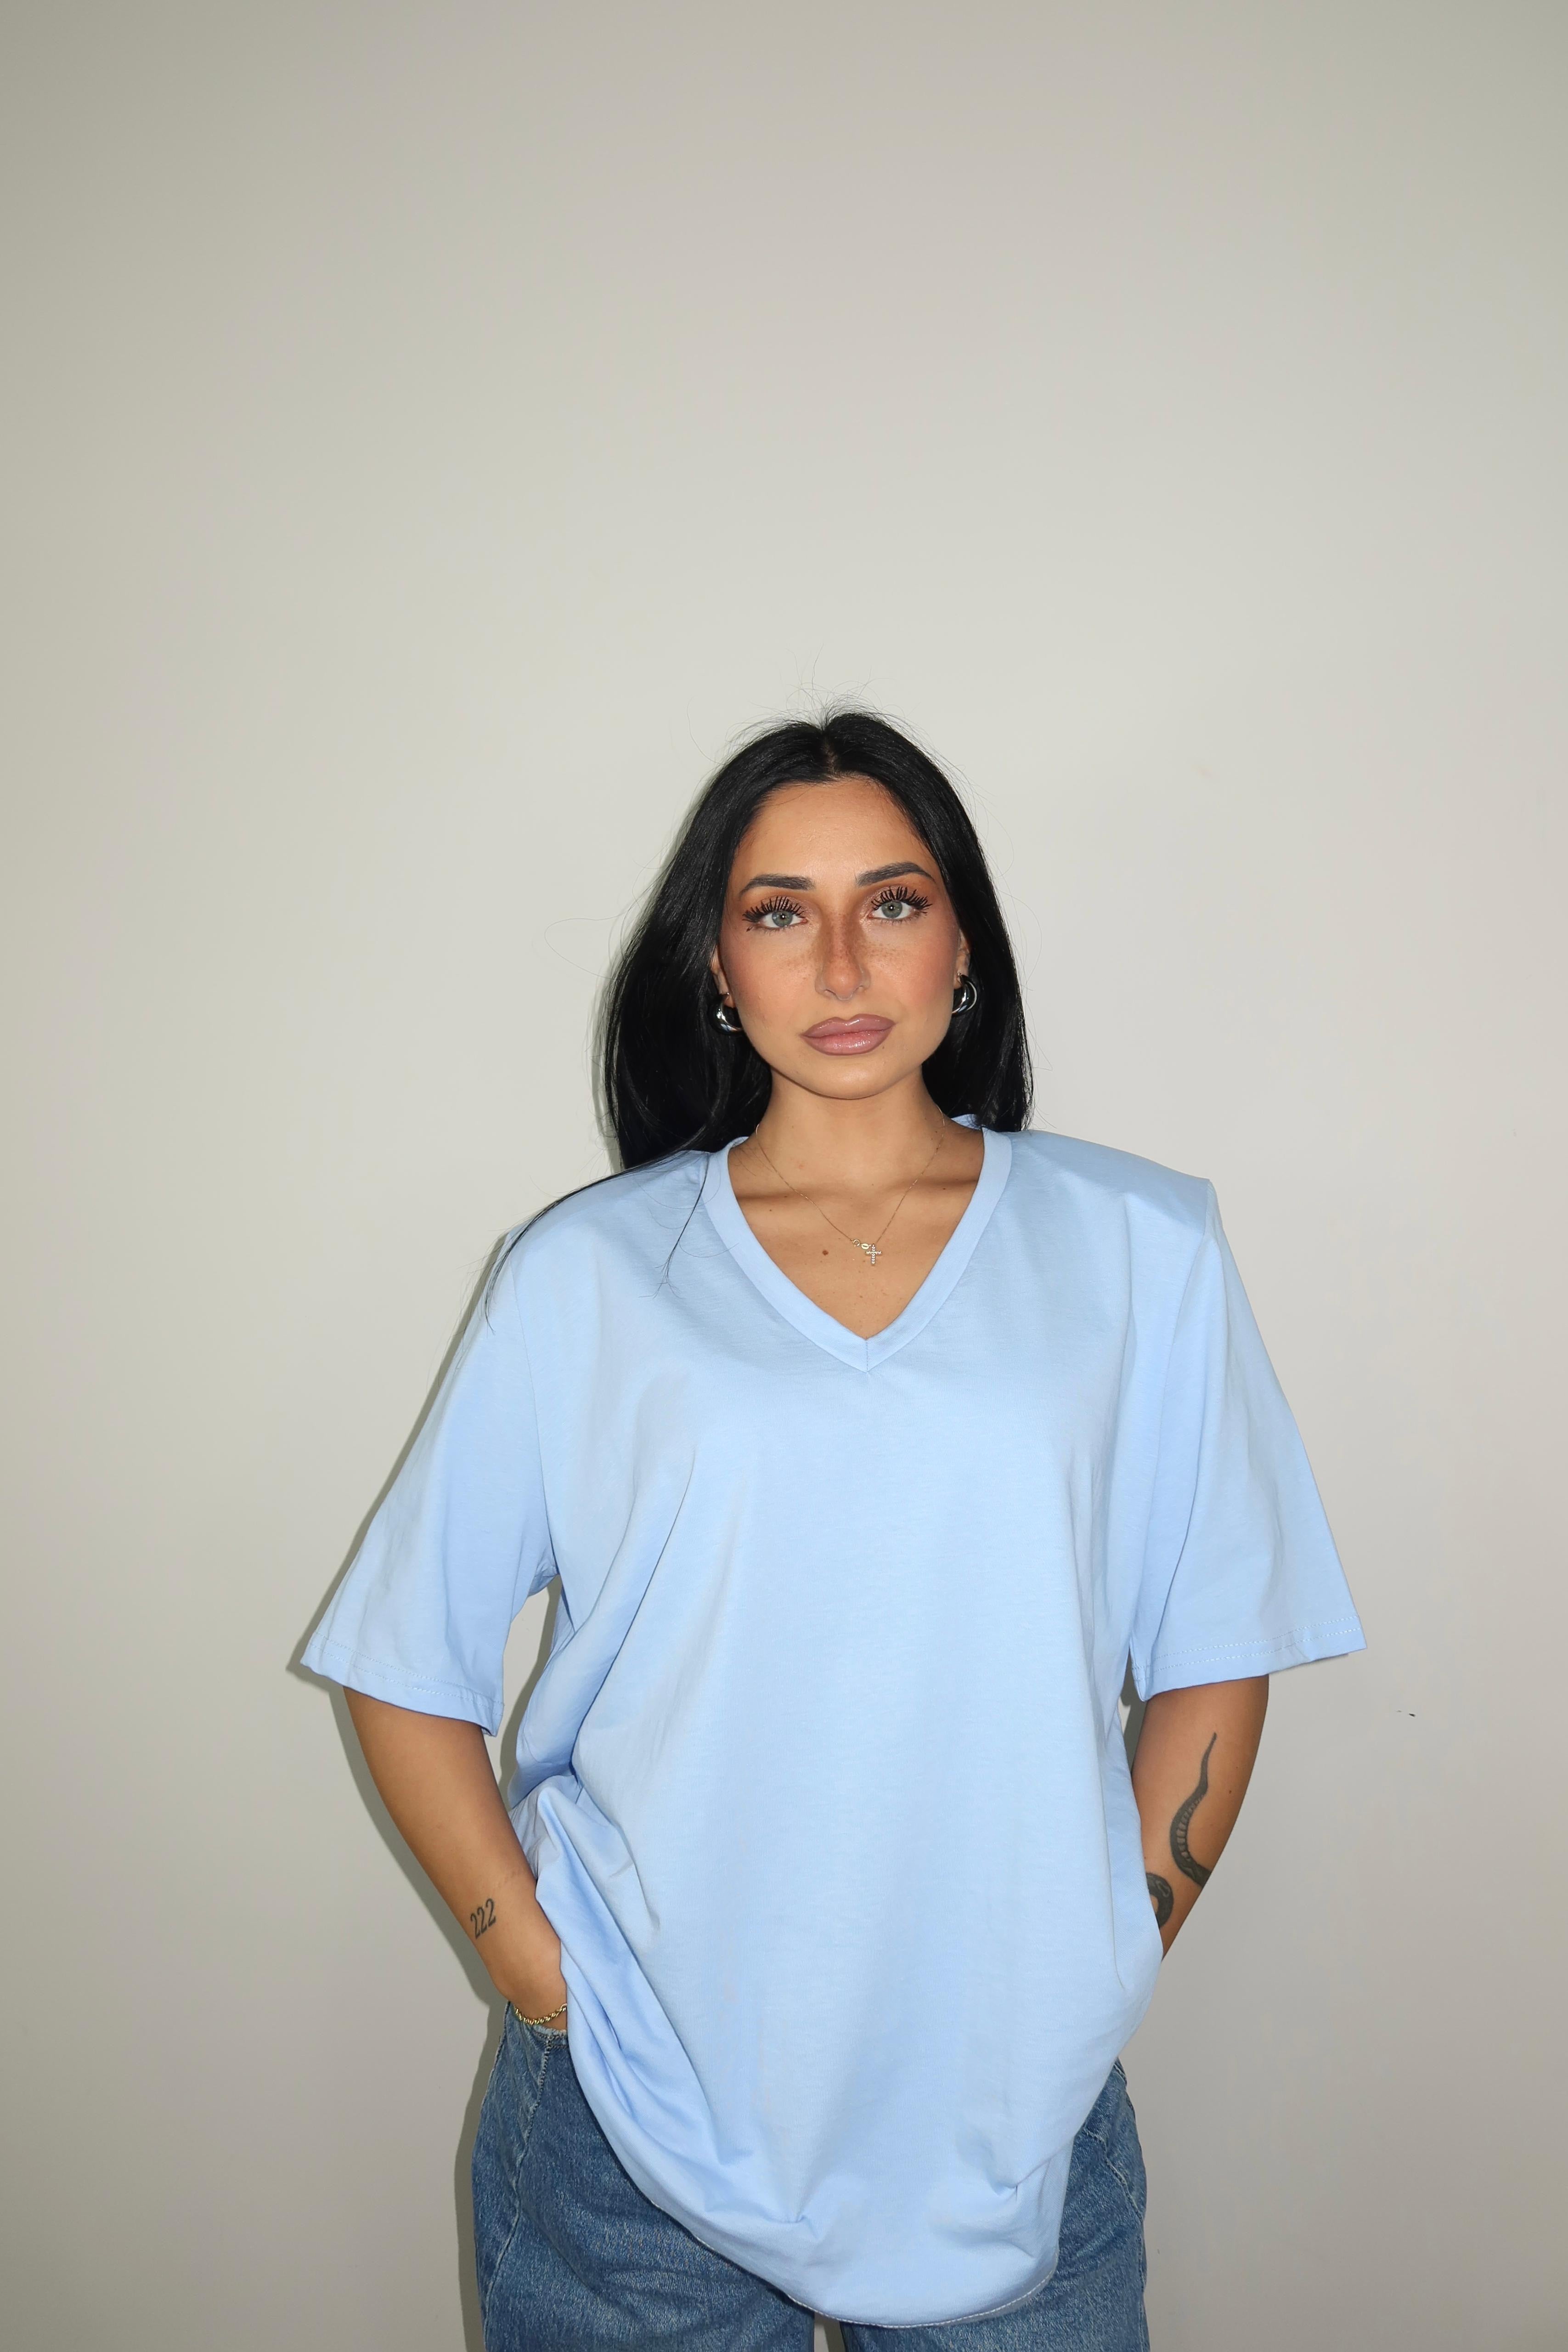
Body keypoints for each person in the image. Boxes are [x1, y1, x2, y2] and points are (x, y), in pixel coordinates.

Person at [302, 711, 1365, 2350]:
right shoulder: (586, 1274)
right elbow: (403, 1665)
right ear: (718, 967)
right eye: (781, 911)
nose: (845, 961)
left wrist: (1104, 1960)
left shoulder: (1142, 1246)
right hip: (628, 2125)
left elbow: (1224, 1644)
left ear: (965, 943)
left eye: (895, 900)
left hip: (1015, 2121)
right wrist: (546, 1985)